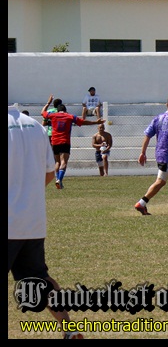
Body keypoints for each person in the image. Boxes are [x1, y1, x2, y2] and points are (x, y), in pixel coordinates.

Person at [8, 105, 84, 339]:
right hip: (32, 221)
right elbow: (50, 173)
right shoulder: (36, 127)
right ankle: (69, 331)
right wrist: (26, 196)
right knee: (39, 278)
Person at [42, 95, 105, 189]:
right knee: (64, 162)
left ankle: (57, 179)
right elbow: (83, 122)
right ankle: (60, 179)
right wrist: (96, 122)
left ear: (58, 110)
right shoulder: (70, 116)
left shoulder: (53, 115)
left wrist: (48, 102)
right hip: (65, 141)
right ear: (65, 110)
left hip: (54, 141)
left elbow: (42, 112)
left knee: (57, 162)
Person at [41, 95, 63, 179]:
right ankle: (58, 174)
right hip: (60, 135)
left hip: (50, 134)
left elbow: (43, 124)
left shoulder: (49, 112)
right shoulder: (61, 112)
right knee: (59, 155)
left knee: (52, 153)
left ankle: (51, 171)